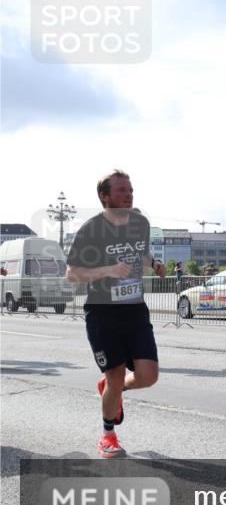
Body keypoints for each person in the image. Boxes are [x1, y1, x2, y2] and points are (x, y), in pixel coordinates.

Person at [67, 170, 166, 458]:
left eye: (130, 190)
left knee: (148, 376)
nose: (129, 195)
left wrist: (154, 264)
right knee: (116, 374)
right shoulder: (91, 230)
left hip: (135, 310)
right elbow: (72, 273)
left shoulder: (140, 223)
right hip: (103, 313)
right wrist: (107, 270)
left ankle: (113, 389)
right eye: (121, 190)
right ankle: (108, 435)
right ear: (104, 196)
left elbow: (141, 253)